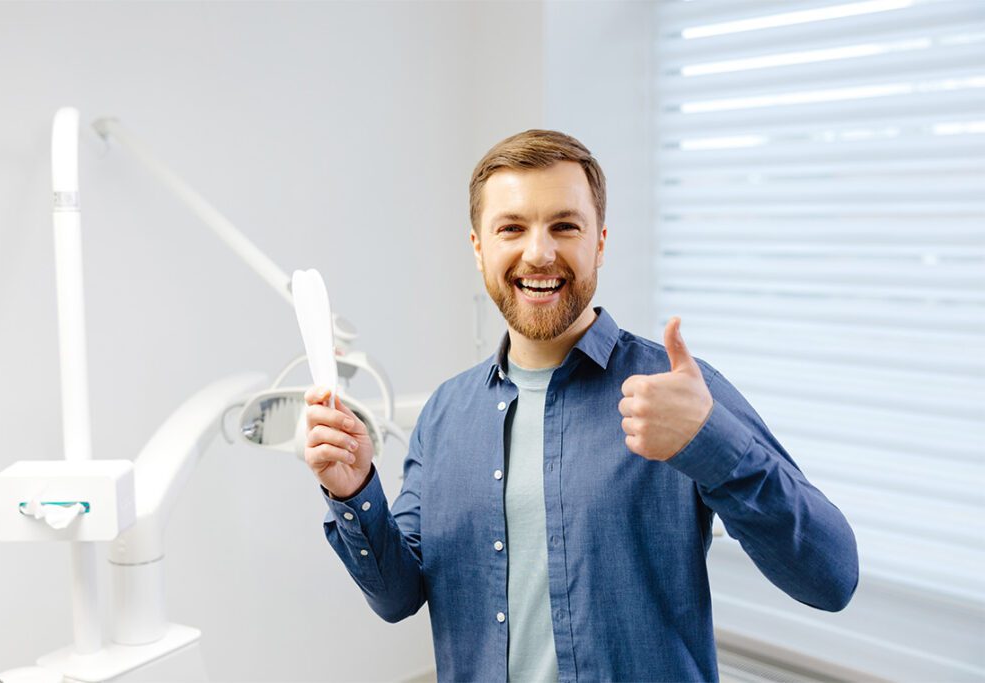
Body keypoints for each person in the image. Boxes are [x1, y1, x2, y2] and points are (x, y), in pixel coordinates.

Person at [303, 130, 859, 682]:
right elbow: (398, 596)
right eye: (512, 228)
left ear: (599, 242)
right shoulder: (445, 415)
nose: (539, 252)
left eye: (565, 226)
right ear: (479, 248)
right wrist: (354, 490)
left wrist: (710, 442)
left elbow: (831, 579)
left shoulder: (677, 391)